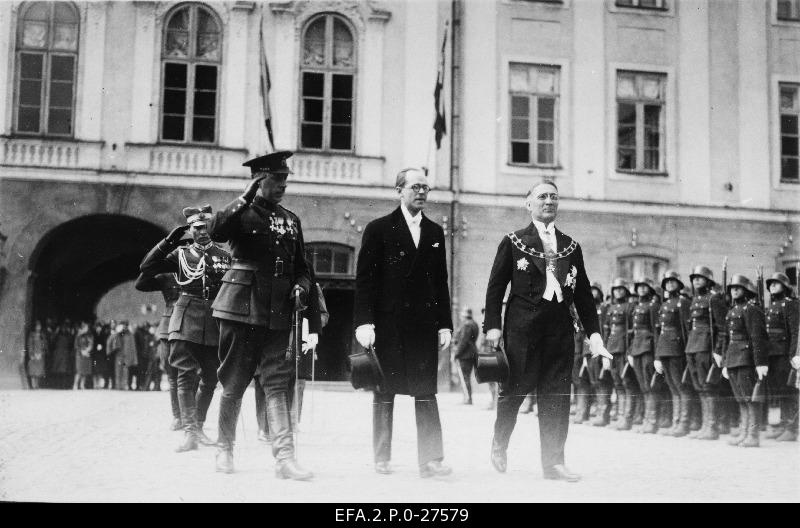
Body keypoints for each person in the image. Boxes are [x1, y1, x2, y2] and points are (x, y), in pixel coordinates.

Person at [483, 180, 611, 482]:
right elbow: (495, 287)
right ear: (529, 203)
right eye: (542, 196)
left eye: (554, 197)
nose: (548, 201)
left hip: (560, 330)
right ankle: (499, 444)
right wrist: (493, 327)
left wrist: (594, 336)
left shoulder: (571, 246)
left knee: (556, 396)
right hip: (522, 329)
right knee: (513, 391)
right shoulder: (513, 241)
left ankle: (553, 463)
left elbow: (582, 296)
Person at [208, 151, 319, 479]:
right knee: (235, 381)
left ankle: (285, 458)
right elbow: (216, 231)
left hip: (278, 311)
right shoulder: (241, 214)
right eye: (276, 180)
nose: (283, 185)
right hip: (242, 307)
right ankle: (224, 449)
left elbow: (303, 268)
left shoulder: (291, 219)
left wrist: (300, 287)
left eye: (285, 180)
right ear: (258, 180)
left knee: (277, 383)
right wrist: (244, 196)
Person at [354, 167, 454, 478]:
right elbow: (365, 281)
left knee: (425, 391)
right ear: (399, 190)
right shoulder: (378, 229)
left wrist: (444, 325)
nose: (421, 193)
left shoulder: (435, 233)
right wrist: (364, 323)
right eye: (415, 187)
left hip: (423, 327)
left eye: (425, 187)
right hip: (388, 326)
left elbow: (440, 283)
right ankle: (382, 457)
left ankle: (431, 460)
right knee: (384, 391)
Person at [140, 205, 230, 452]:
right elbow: (147, 267)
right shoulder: (179, 255)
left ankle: (198, 426)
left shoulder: (223, 255)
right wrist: (169, 240)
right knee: (184, 374)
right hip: (186, 314)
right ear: (190, 229)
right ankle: (190, 431)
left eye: (206, 226)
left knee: (211, 377)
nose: (202, 232)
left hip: (213, 318)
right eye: (197, 228)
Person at [721, 274, 769, 448]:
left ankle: (753, 435)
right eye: (732, 288)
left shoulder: (752, 309)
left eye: (738, 288)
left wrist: (760, 363)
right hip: (733, 358)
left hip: (746, 359)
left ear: (746, 290)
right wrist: (725, 362)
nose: (734, 290)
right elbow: (727, 338)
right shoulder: (732, 311)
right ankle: (744, 433)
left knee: (750, 398)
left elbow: (757, 337)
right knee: (741, 398)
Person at [685, 265, 728, 440]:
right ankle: (705, 425)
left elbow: (723, 328)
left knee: (709, 387)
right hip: (693, 346)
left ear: (708, 280)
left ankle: (712, 427)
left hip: (706, 346)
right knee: (700, 387)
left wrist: (719, 350)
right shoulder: (695, 300)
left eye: (700, 277)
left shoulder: (714, 299)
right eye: (694, 277)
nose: (696, 280)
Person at [134, 272, 181, 428]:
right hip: (169, 324)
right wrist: (155, 260)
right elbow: (140, 283)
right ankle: (178, 416)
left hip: (192, 322)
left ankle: (192, 417)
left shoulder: (197, 269)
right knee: (172, 374)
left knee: (192, 374)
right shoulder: (166, 277)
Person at [654, 270, 692, 436]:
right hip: (664, 348)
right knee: (672, 386)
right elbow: (659, 332)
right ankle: (676, 421)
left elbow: (686, 329)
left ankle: (683, 423)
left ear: (678, 284)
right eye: (667, 282)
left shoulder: (682, 303)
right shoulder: (664, 304)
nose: (670, 284)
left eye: (672, 281)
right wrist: (657, 356)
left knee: (680, 386)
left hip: (677, 349)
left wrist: (686, 352)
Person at [763, 272, 799, 441]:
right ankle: (783, 425)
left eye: (776, 283)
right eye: (770, 284)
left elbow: (795, 331)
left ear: (784, 286)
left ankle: (791, 428)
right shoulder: (771, 306)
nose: (772, 286)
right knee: (778, 389)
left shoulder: (790, 305)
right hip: (772, 353)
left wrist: (794, 355)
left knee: (788, 390)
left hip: (785, 353)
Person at [630, 277, 666, 434]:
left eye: (645, 286)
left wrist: (657, 355)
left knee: (651, 385)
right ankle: (646, 420)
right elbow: (633, 332)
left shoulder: (653, 306)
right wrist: (630, 351)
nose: (642, 289)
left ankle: (652, 421)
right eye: (640, 287)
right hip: (637, 347)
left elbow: (656, 331)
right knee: (643, 385)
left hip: (648, 348)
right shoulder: (637, 306)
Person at [604, 278, 638, 430]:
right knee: (617, 383)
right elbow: (606, 331)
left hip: (624, 348)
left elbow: (633, 332)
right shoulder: (610, 308)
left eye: (621, 289)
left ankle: (627, 418)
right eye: (616, 289)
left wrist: (629, 350)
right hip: (611, 348)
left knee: (627, 383)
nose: (618, 291)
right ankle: (619, 415)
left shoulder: (630, 307)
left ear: (626, 291)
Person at [588, 282, 612, 426]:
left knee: (603, 381)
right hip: (591, 350)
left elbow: (606, 332)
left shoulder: (604, 308)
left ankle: (604, 415)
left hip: (601, 349)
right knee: (595, 381)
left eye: (595, 291)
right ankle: (598, 413)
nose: (592, 294)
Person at [452, 307, 479, 405]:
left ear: (464, 315)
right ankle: (467, 398)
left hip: (465, 355)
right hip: (471, 353)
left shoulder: (467, 325)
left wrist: (456, 354)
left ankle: (468, 398)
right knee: (466, 376)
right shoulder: (474, 324)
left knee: (464, 377)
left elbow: (463, 341)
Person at [73, 322, 94, 389]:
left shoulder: (88, 336)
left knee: (85, 371)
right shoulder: (78, 336)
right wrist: (81, 351)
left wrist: (88, 350)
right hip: (79, 355)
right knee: (79, 371)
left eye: (87, 328)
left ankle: (82, 385)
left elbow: (91, 344)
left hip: (86, 354)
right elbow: (76, 345)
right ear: (82, 328)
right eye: (85, 328)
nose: (87, 329)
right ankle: (75, 385)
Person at [27, 321, 47, 389]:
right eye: (37, 326)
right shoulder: (32, 334)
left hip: (40, 354)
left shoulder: (42, 335)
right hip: (34, 353)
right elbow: (30, 344)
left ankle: (37, 385)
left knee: (39, 370)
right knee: (33, 369)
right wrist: (31, 354)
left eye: (40, 326)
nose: (39, 327)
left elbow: (44, 344)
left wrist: (42, 352)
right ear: (35, 327)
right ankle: (33, 385)